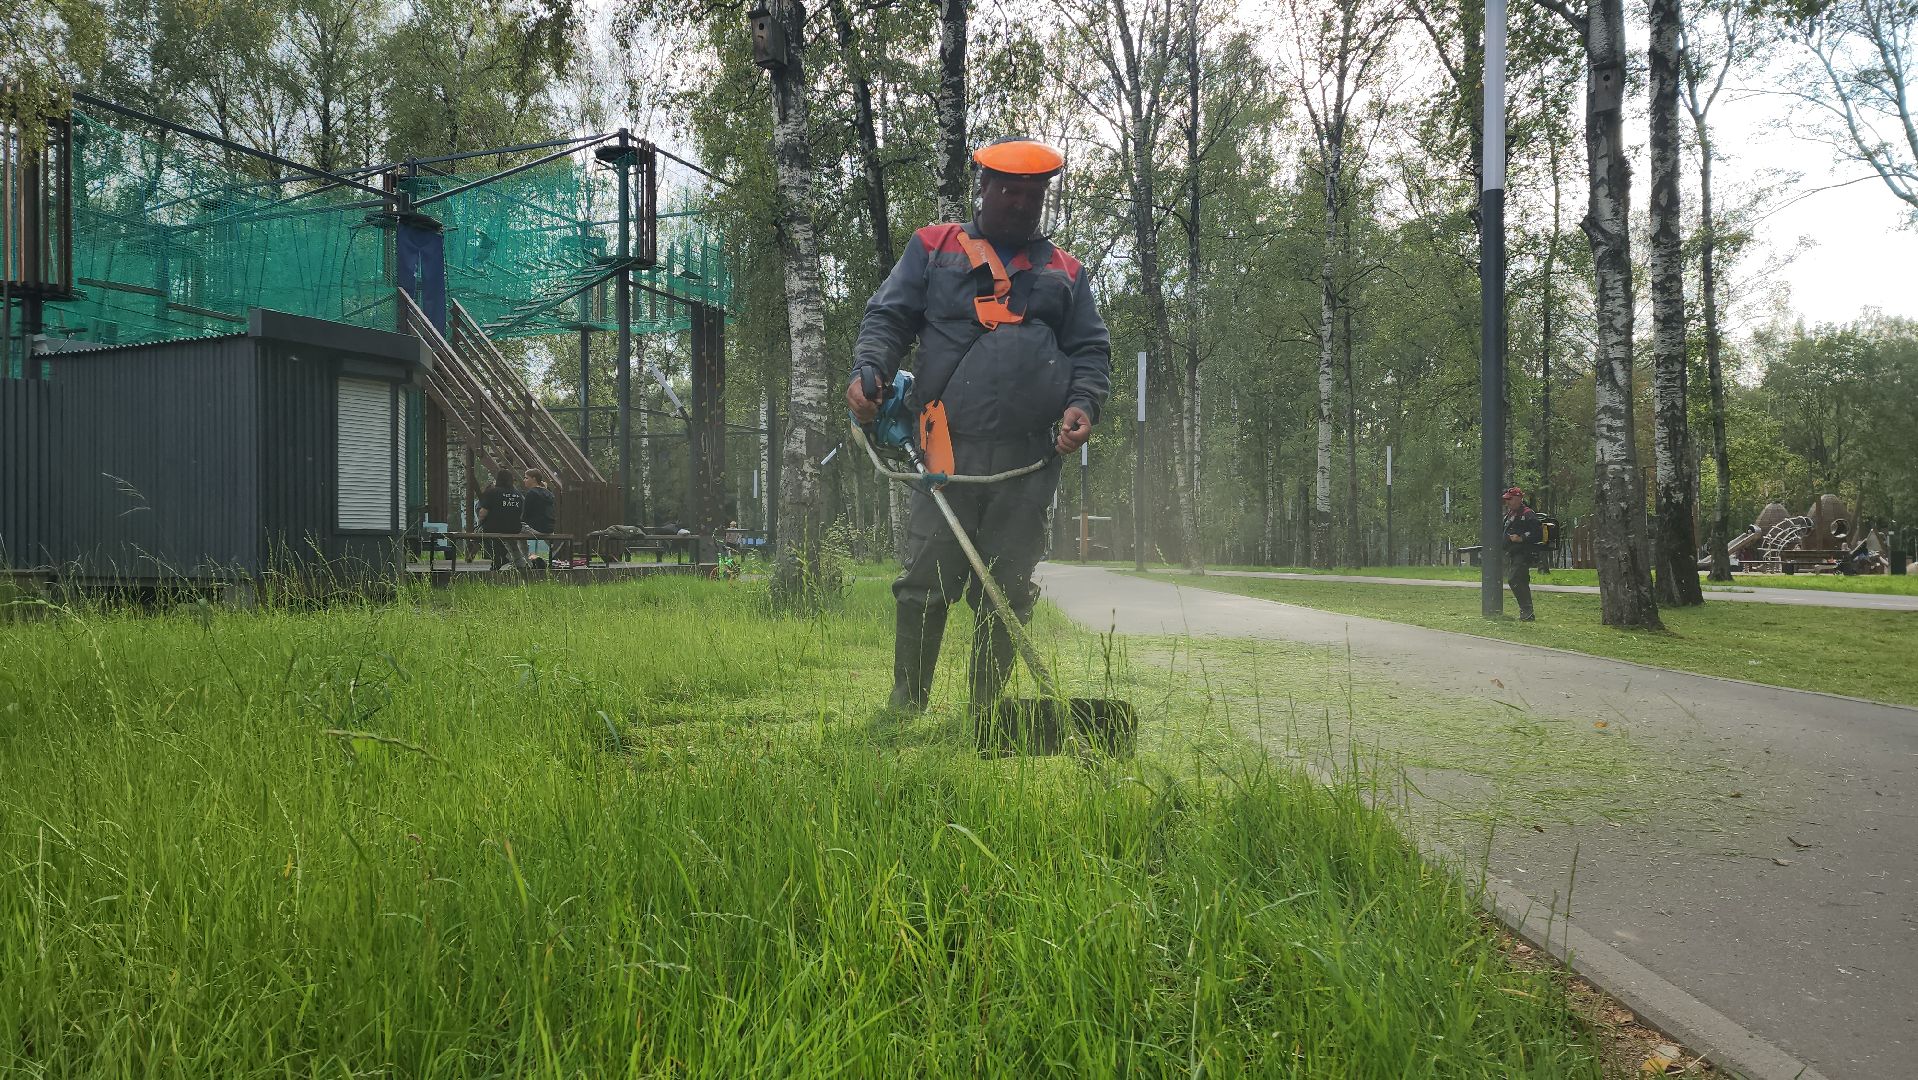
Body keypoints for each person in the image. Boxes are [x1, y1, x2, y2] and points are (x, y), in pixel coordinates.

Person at [847, 137, 1112, 716]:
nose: (1020, 203)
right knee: (924, 581)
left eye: (1032, 194)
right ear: (984, 188)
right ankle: (905, 705)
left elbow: (1091, 352)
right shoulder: (933, 247)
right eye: (1009, 191)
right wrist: (869, 371)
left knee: (1008, 587)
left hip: (1028, 462)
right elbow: (888, 319)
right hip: (946, 455)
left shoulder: (1067, 273)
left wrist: (1083, 407)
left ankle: (986, 710)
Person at [1502, 486, 1542, 621]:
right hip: (1513, 553)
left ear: (1519, 499)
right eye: (1506, 499)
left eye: (1510, 499)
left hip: (1524, 553)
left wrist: (1521, 538)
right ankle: (1527, 613)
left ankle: (1527, 611)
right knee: (1521, 581)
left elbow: (1538, 534)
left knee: (1515, 579)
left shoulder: (1527, 514)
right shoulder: (1510, 514)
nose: (1507, 502)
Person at [477, 467, 526, 570]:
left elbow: (482, 513)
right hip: (515, 528)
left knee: (480, 534)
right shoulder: (518, 494)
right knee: (510, 540)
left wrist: (481, 522)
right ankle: (519, 561)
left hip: (493, 527)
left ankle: (499, 558)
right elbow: (521, 513)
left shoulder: (492, 492)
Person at [521, 469, 558, 567]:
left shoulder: (531, 493)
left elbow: (525, 515)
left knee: (516, 528)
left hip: (537, 529)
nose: (524, 480)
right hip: (549, 528)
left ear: (533, 479)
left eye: (526, 478)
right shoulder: (549, 493)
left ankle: (523, 561)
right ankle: (554, 559)